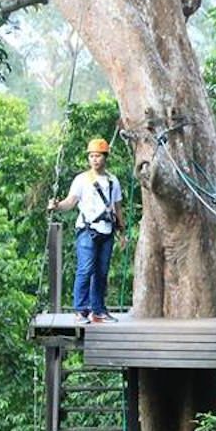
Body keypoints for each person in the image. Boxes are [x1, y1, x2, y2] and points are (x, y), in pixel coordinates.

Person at [48, 138, 125, 324]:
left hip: (107, 230)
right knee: (85, 269)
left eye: (98, 156)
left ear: (105, 157)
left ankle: (98, 310)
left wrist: (122, 232)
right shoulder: (82, 180)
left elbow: (117, 208)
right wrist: (57, 205)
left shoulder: (113, 181)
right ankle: (81, 310)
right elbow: (71, 202)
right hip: (87, 230)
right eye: (91, 156)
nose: (94, 159)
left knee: (102, 271)